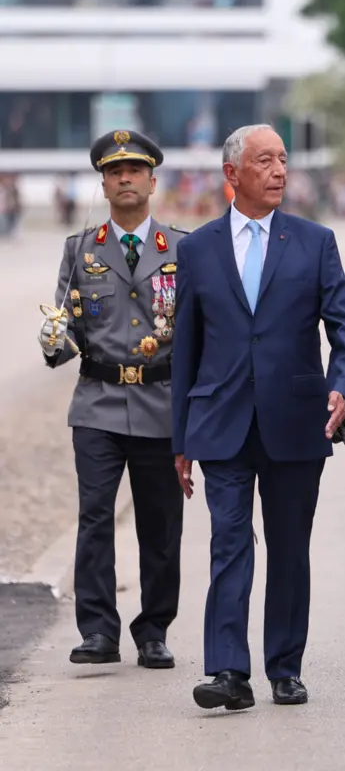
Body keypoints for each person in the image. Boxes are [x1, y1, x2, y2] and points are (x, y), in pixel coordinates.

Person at [172, 124, 345, 710]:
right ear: (233, 175)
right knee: (229, 542)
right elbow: (186, 349)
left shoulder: (315, 241)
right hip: (221, 423)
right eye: (265, 161)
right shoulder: (197, 248)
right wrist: (179, 440)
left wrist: (344, 386)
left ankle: (285, 666)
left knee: (288, 547)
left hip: (297, 420)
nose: (280, 171)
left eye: (283, 160)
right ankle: (228, 672)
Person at [39, 130, 185, 670]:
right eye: (115, 171)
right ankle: (99, 630)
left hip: (161, 401)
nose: (125, 178)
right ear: (103, 182)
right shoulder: (80, 251)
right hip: (98, 403)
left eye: (135, 170)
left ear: (152, 180)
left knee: (160, 523)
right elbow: (66, 328)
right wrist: (55, 342)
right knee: (95, 517)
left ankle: (153, 630)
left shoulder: (182, 249)